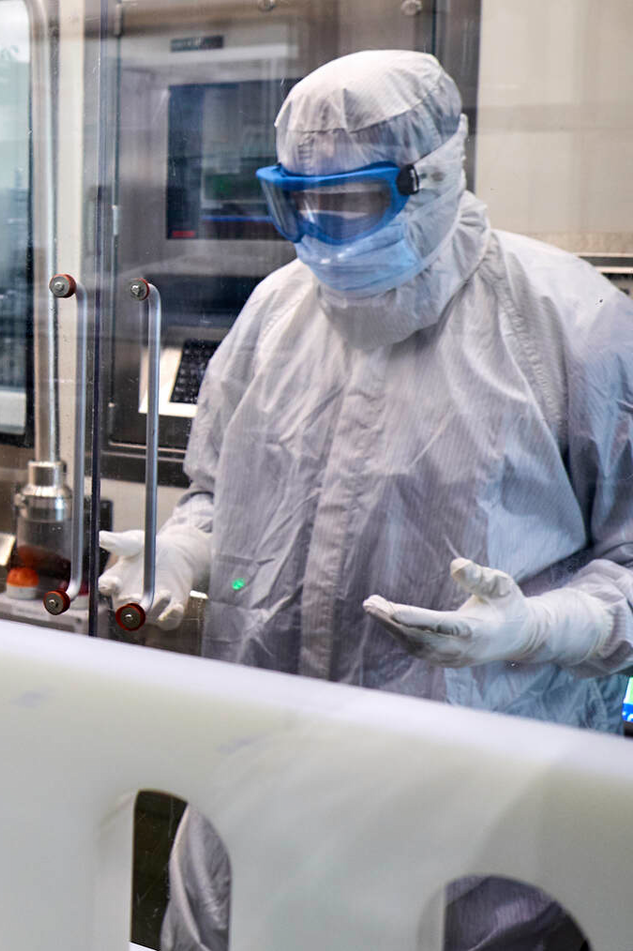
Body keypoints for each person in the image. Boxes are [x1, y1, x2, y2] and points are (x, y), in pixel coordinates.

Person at [96, 50, 633, 951]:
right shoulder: (276, 313)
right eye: (299, 199)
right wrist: (180, 553)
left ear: (431, 179)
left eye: (352, 198)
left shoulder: (570, 327)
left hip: (481, 854)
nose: (323, 229)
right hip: (254, 811)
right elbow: (218, 493)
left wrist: (537, 628)